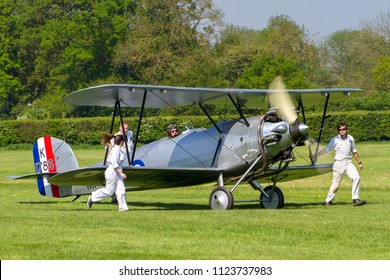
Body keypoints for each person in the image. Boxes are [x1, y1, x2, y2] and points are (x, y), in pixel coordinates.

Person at [314, 122, 366, 206]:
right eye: (340, 129)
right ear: (338, 131)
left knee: (356, 177)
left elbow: (354, 151)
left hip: (348, 162)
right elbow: (327, 149)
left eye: (343, 129)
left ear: (346, 129)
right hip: (338, 163)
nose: (342, 131)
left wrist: (359, 163)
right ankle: (327, 201)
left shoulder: (350, 138)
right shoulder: (335, 139)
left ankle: (355, 199)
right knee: (336, 183)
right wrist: (316, 154)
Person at [87, 133, 129, 211]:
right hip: (112, 172)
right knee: (109, 191)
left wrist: (110, 147)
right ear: (121, 142)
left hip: (116, 172)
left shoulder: (116, 149)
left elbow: (110, 159)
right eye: (123, 141)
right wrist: (121, 173)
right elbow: (114, 163)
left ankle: (123, 207)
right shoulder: (116, 150)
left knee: (121, 189)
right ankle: (92, 197)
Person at [110, 121, 133, 204]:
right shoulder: (116, 137)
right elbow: (109, 149)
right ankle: (114, 198)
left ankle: (122, 203)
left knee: (120, 185)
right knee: (113, 183)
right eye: (124, 129)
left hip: (127, 158)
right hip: (117, 159)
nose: (126, 130)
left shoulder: (130, 134)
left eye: (127, 128)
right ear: (120, 128)